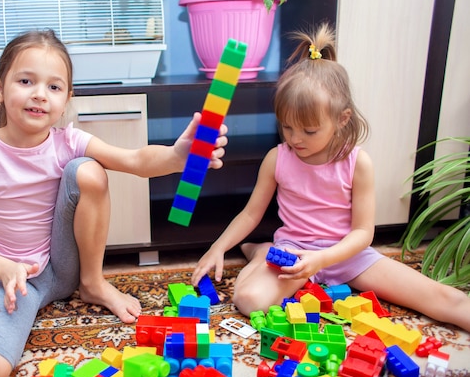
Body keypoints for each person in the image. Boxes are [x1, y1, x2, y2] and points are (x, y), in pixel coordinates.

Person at [0, 29, 228, 377]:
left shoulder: (68, 141)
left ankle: (92, 284)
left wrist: (176, 156)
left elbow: (136, 159)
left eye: (53, 87)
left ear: (67, 99)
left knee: (88, 171)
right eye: (26, 80)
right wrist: (0, 269)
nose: (39, 94)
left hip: (62, 269)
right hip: (11, 277)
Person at [190, 22, 470, 333]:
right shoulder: (277, 158)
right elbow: (251, 213)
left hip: (347, 254)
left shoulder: (358, 163)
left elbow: (363, 233)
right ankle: (260, 249)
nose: (295, 139)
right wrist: (218, 247)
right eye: (287, 127)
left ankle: (262, 250)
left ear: (341, 119)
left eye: (309, 130)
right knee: (249, 299)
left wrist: (322, 259)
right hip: (294, 252)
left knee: (445, 299)